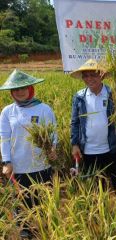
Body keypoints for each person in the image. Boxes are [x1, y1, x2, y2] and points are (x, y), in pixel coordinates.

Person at [0, 69, 57, 237]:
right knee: (22, 206)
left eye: (24, 87)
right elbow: (4, 137)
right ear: (12, 92)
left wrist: (53, 149)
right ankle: (25, 233)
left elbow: (53, 134)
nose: (20, 92)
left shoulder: (44, 109)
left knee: (42, 203)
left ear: (30, 88)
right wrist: (6, 162)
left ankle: (44, 232)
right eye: (16, 89)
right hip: (18, 167)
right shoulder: (7, 111)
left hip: (42, 164)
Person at [70, 59, 116, 214]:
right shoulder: (79, 97)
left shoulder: (113, 93)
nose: (90, 79)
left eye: (93, 75)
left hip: (113, 147)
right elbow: (75, 122)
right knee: (96, 186)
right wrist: (74, 143)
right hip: (89, 150)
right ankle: (100, 213)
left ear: (101, 76)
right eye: (86, 76)